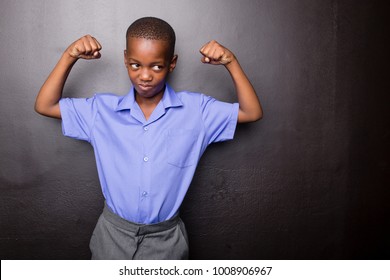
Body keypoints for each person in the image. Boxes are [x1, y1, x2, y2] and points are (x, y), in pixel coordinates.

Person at [35, 17, 262, 260]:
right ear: (125, 59)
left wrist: (231, 62)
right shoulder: (100, 111)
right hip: (111, 237)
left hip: (167, 241)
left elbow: (251, 112)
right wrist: (70, 56)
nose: (145, 76)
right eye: (135, 65)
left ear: (172, 63)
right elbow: (45, 105)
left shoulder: (198, 111)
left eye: (156, 66)